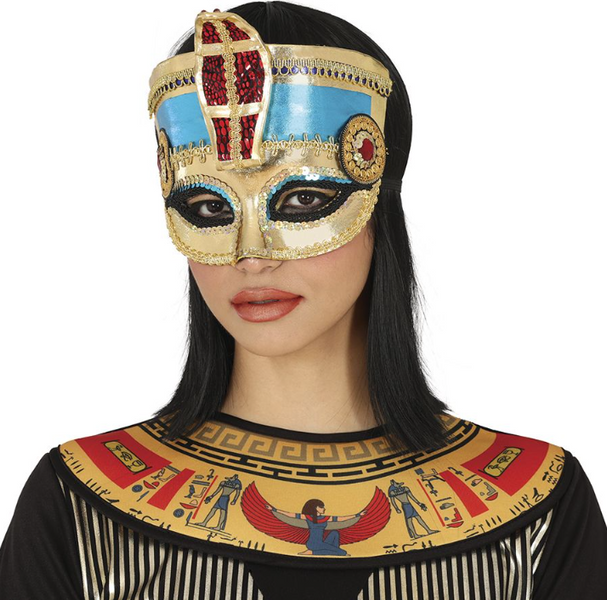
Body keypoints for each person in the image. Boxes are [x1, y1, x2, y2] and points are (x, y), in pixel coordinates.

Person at [1, 2, 606, 599]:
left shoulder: (537, 511)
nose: (251, 255)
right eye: (209, 207)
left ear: (379, 207)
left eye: (301, 201)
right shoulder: (78, 506)